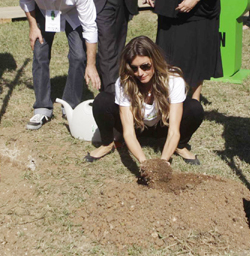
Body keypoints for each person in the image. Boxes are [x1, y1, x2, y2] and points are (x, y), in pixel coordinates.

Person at [85, 36, 204, 164]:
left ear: (155, 60)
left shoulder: (173, 80)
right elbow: (129, 132)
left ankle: (179, 146)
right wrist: (145, 163)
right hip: (137, 126)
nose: (140, 73)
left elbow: (174, 130)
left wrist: (163, 163)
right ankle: (107, 144)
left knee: (195, 108)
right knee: (102, 101)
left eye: (145, 66)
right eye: (134, 68)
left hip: (163, 126)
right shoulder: (125, 82)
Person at [16, 0, 100, 129]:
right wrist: (33, 25)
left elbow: (90, 26)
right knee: (40, 53)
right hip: (44, 11)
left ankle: (70, 105)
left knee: (78, 56)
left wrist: (91, 65)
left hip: (72, 12)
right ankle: (42, 108)